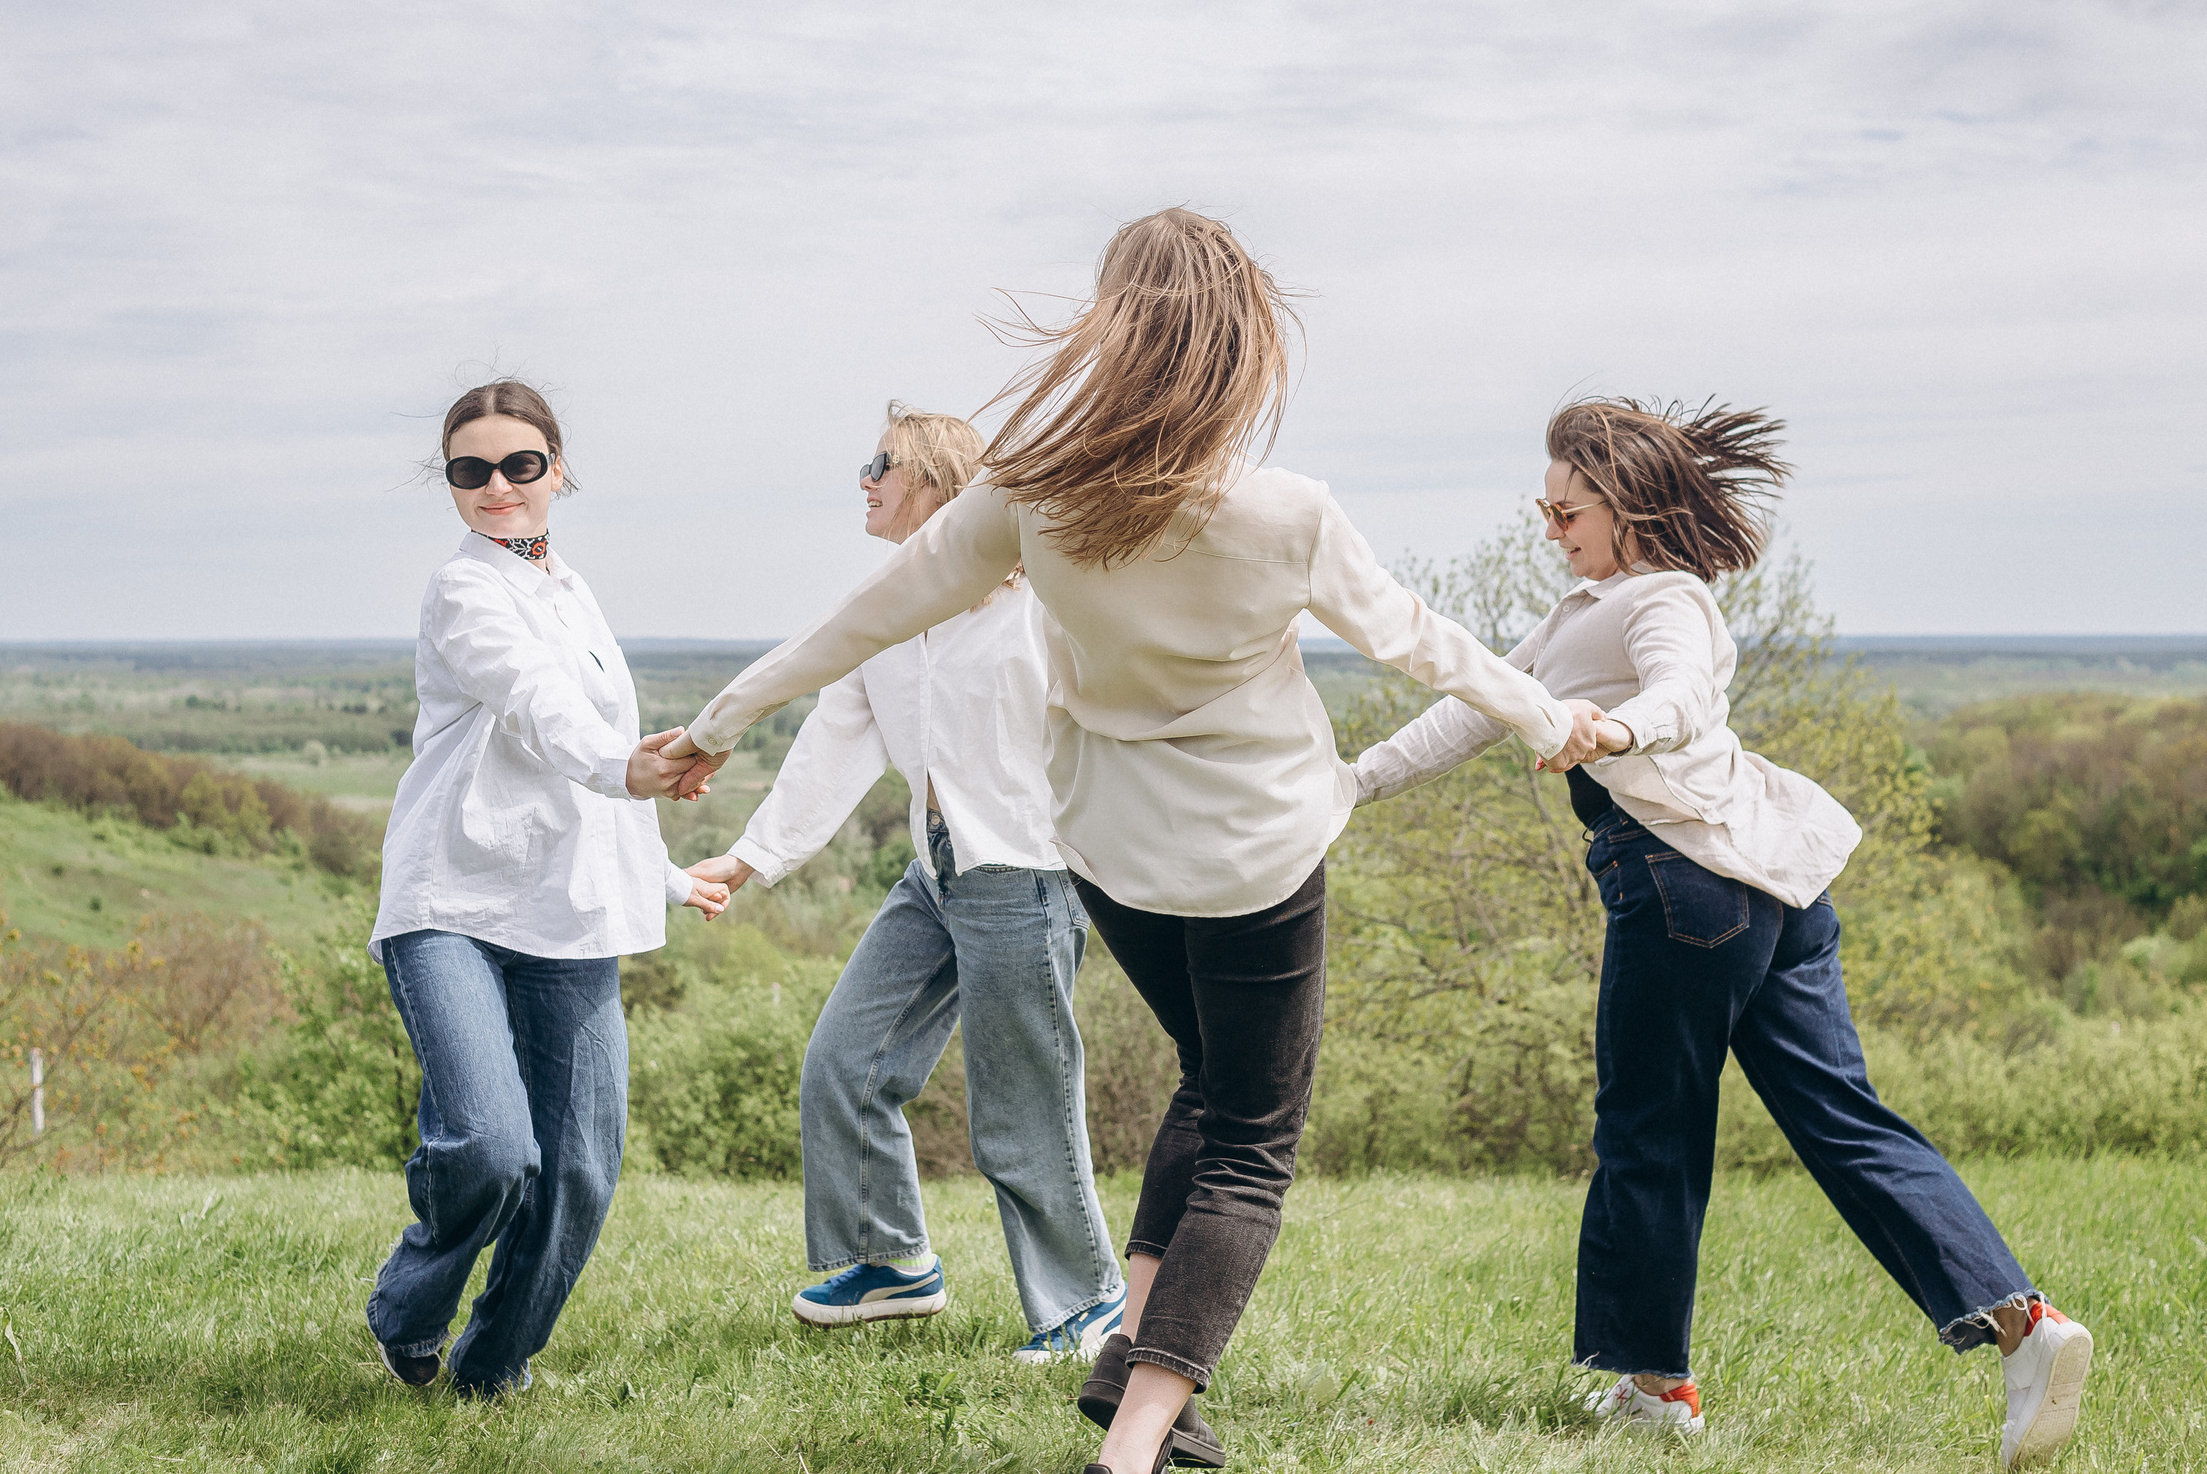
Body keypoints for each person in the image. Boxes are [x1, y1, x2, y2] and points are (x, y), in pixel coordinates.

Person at [646, 210, 1609, 1474]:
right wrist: (1554, 715)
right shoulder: (1287, 510)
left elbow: (858, 621)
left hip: (1112, 861)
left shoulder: (1029, 499)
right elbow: (1422, 640)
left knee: (1207, 1086)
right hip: (1260, 856)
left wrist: (715, 726)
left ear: (1113, 334)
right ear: (1241, 345)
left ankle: (1128, 1360)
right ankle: (1136, 1443)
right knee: (1253, 1142)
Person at [1350, 398, 2094, 1469]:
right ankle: (2026, 1324)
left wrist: (1615, 726)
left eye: (1564, 509)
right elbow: (1475, 705)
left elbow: (1683, 696)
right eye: (1541, 508)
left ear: (1624, 504)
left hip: (1683, 890)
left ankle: (1657, 1385)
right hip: (1777, 894)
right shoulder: (1585, 611)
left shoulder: (1663, 601)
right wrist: (1350, 783)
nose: (1549, 527)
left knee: (1649, 1129)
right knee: (1843, 1116)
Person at [681, 402, 1128, 1363]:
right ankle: (890, 1260)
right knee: (845, 1061)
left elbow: (1113, 714)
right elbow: (835, 734)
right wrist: (752, 856)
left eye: (880, 461)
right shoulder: (889, 610)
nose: (865, 479)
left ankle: (1087, 1309)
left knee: (1021, 1114)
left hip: (1023, 879)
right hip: (934, 878)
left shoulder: (1033, 608)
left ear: (934, 479)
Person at [364, 378, 728, 1398]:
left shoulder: (573, 587)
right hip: (452, 905)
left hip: (570, 913)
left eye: (519, 464)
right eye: (469, 468)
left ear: (556, 469)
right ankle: (408, 1306)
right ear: (450, 482)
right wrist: (625, 767)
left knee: (574, 1173)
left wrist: (662, 872)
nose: (496, 485)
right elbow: (537, 705)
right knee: (488, 1143)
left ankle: (492, 1369)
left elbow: (589, 755)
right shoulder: (463, 589)